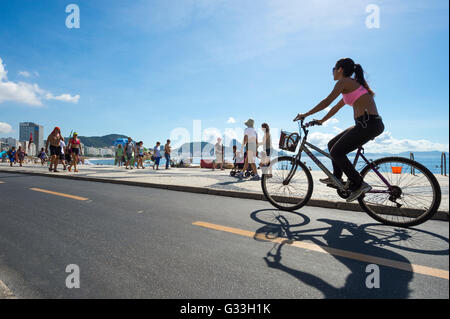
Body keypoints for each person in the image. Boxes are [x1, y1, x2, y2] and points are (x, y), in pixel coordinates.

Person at [293, 58, 385, 202]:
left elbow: (326, 102)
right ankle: (336, 178)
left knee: (337, 152)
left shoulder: (344, 82)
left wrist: (305, 114)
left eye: (333, 70)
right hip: (368, 123)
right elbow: (335, 107)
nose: (332, 73)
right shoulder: (351, 86)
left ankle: (359, 184)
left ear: (340, 69)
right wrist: (320, 121)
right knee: (332, 145)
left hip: (367, 124)